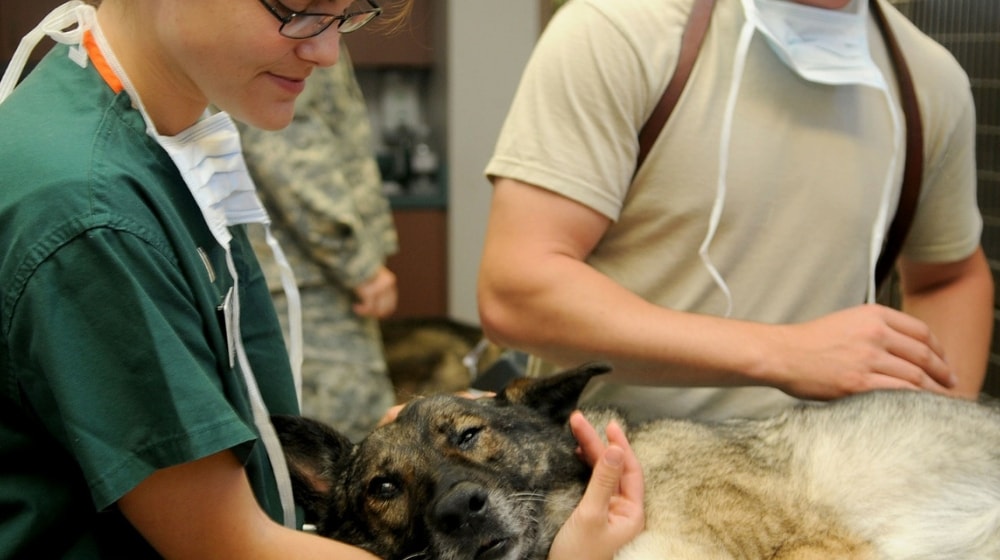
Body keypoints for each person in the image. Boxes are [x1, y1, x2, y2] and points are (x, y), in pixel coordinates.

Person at [0, 0, 643, 558]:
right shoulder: (90, 214)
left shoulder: (168, 137)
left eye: (345, 16)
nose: (328, 52)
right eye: (295, 7)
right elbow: (229, 546)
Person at [479, 0, 994, 423]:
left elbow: (947, 277)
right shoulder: (620, 31)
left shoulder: (928, 81)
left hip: (828, 486)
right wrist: (783, 353)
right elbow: (517, 291)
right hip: (617, 484)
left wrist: (935, 435)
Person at [239, 47, 399, 442]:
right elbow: (288, 148)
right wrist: (357, 263)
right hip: (306, 279)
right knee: (345, 450)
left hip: (298, 272)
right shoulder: (293, 21)